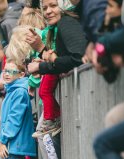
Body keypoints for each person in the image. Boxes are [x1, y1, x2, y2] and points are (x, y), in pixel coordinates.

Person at [26, 0, 87, 137]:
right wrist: (41, 50)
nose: (48, 11)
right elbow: (62, 60)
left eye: (53, 6)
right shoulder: (60, 24)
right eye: (45, 8)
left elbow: (77, 58)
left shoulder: (66, 22)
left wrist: (41, 66)